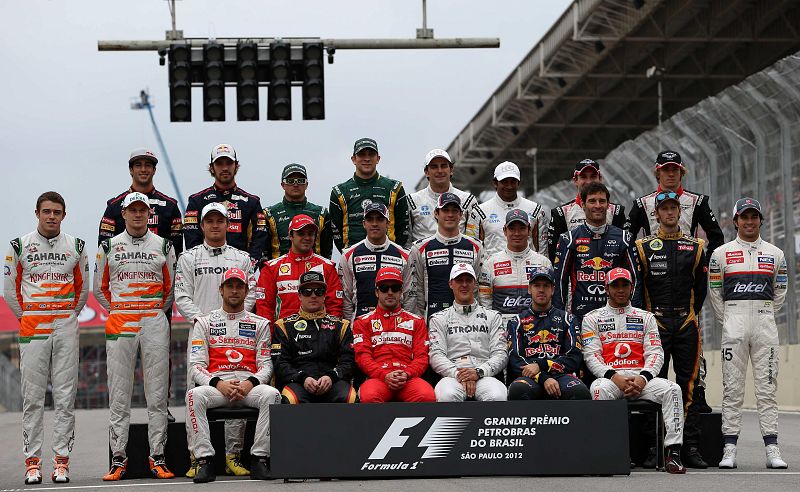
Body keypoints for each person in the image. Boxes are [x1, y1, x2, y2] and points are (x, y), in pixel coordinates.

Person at [4, 191, 89, 484]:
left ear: (64, 215)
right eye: (46, 211)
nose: (51, 216)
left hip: (66, 322)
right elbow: (10, 291)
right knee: (33, 397)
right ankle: (32, 463)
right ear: (37, 213)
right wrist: (29, 316)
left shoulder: (77, 246)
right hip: (33, 324)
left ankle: (61, 462)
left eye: (57, 212)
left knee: (66, 396)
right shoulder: (18, 245)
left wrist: (66, 315)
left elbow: (83, 291)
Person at [94, 192, 177, 481]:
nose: (138, 214)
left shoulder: (164, 245)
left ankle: (158, 457)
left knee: (156, 394)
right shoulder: (108, 246)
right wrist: (119, 309)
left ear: (149, 213)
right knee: (119, 393)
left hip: (154, 318)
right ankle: (118, 458)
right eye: (132, 210)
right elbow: (99, 289)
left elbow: (170, 289)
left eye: (143, 210)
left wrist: (151, 311)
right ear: (124, 214)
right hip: (121, 319)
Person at [174, 202, 256, 478]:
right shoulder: (189, 258)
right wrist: (205, 322)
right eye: (210, 221)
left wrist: (236, 319)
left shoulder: (242, 258)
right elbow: (181, 296)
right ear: (202, 226)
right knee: (193, 394)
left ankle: (233, 455)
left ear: (228, 224)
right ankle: (197, 457)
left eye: (220, 220)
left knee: (235, 388)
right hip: (201, 332)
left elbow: (252, 293)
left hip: (237, 333)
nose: (215, 225)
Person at [709, 198, 788, 469]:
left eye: (754, 217)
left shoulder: (775, 254)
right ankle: (729, 449)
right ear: (735, 221)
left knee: (767, 390)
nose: (750, 222)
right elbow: (715, 294)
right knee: (732, 390)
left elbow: (780, 291)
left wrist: (764, 314)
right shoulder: (721, 254)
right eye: (744, 217)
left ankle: (772, 449)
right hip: (735, 325)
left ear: (761, 220)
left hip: (765, 325)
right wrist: (730, 319)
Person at [581, 268, 686, 474]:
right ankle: (609, 452)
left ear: (631, 288)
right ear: (606, 289)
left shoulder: (646, 317)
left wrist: (643, 379)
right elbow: (591, 356)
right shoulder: (592, 318)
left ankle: (673, 453)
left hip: (641, 378)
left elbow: (656, 353)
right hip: (611, 379)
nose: (620, 290)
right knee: (597, 390)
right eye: (615, 286)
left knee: (673, 389)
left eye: (624, 285)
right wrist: (615, 377)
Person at [634, 190, 709, 468]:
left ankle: (688, 446)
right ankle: (656, 446)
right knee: (656, 385)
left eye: (673, 208)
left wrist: (690, 314)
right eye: (663, 208)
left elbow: (700, 290)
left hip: (687, 321)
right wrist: (647, 320)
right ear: (656, 213)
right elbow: (638, 289)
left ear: (680, 212)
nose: (669, 212)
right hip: (656, 323)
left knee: (689, 385)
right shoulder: (643, 246)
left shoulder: (696, 246)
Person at [185, 268, 281, 483]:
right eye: (230, 286)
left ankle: (259, 459)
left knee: (273, 395)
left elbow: (266, 364)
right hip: (217, 387)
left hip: (249, 387)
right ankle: (204, 461)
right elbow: (196, 366)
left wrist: (250, 383)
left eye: (240, 286)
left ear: (247, 291)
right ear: (221, 289)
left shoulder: (260, 323)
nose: (235, 291)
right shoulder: (204, 322)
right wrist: (219, 384)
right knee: (194, 395)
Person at [553, 181, 640, 323]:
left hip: (618, 317)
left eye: (602, 201)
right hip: (581, 318)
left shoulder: (624, 238)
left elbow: (636, 280)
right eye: (592, 201)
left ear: (608, 205)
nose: (598, 206)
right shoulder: (568, 239)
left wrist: (634, 315)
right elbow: (559, 282)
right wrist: (560, 319)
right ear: (583, 205)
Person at [272, 271, 357, 404]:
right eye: (307, 291)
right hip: (299, 381)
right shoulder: (283, 326)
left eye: (319, 291)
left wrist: (332, 376)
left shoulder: (341, 326)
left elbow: (349, 362)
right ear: (299, 295)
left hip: (332, 381)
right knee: (291, 399)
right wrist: (302, 378)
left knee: (350, 397)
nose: (313, 296)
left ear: (325, 295)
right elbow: (280, 364)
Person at [352, 267, 435, 402]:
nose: (390, 292)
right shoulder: (362, 322)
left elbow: (422, 357)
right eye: (384, 288)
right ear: (376, 292)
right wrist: (384, 375)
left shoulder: (417, 321)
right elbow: (363, 357)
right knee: (369, 396)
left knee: (426, 395)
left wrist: (407, 374)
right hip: (378, 378)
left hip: (407, 377)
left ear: (401, 292)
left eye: (395, 288)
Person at [506, 267, 589, 401]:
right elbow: (516, 361)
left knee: (579, 392)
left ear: (553, 290)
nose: (541, 290)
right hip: (531, 377)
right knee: (518, 390)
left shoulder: (568, 319)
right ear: (529, 289)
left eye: (546, 286)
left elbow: (574, 357)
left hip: (561, 376)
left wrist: (542, 365)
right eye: (536, 285)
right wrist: (543, 377)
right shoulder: (517, 322)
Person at [428, 263, 508, 402]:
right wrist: (459, 374)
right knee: (447, 395)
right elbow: (436, 355)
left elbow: (501, 353)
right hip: (452, 375)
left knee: (497, 396)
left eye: (468, 280)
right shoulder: (438, 318)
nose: (464, 284)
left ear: (475, 284)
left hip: (484, 374)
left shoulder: (493, 317)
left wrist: (479, 372)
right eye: (459, 280)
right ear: (451, 284)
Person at [626, 150, 724, 257]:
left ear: (681, 172)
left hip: (687, 267)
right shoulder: (642, 204)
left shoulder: (698, 201)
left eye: (675, 169)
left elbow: (717, 237)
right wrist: (637, 263)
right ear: (658, 173)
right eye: (666, 169)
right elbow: (626, 238)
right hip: (653, 268)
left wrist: (706, 263)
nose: (671, 174)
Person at [184, 144, 268, 261]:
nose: (224, 168)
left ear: (236, 166)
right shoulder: (197, 201)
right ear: (212, 167)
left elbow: (260, 237)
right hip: (206, 266)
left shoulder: (251, 202)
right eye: (219, 163)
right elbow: (191, 238)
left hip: (240, 269)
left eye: (229, 163)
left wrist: (250, 263)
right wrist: (200, 263)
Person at [406, 193, 483, 320]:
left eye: (454, 210)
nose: (450, 215)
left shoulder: (476, 246)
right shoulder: (419, 248)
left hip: (469, 322)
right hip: (432, 320)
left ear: (461, 215)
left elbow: (478, 288)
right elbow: (415, 292)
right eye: (445, 210)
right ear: (436, 213)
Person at [256, 214, 342, 323]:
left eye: (310, 234)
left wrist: (330, 335)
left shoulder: (327, 267)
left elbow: (335, 307)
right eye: (301, 233)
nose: (306, 238)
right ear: (291, 236)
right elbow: (264, 308)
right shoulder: (271, 268)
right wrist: (272, 338)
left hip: (320, 335)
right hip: (283, 336)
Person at [329, 137, 409, 252]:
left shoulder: (395, 188)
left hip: (390, 256)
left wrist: (394, 252)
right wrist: (348, 254)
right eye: (362, 155)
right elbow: (336, 231)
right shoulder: (339, 192)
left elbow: (403, 227)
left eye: (371, 154)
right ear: (353, 159)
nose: (367, 159)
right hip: (354, 258)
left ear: (378, 158)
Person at [98, 148, 183, 255]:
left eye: (148, 165)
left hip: (159, 268)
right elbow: (103, 249)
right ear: (131, 170)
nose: (143, 169)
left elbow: (177, 251)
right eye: (138, 165)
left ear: (154, 170)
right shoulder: (114, 206)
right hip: (122, 267)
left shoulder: (170, 206)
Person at [339, 202, 410, 321]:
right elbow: (346, 297)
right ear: (364, 224)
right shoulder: (348, 255)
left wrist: (407, 324)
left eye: (380, 219)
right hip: (361, 324)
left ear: (388, 223)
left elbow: (409, 296)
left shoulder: (405, 255)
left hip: (397, 325)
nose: (375, 223)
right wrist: (349, 326)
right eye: (370, 219)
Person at [479, 208, 551, 325]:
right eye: (512, 228)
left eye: (522, 228)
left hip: (535, 328)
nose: (517, 233)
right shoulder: (490, 263)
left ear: (529, 230)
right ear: (504, 231)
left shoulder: (544, 263)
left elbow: (551, 299)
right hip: (502, 329)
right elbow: (485, 301)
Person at [547, 158, 626, 261]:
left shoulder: (616, 211)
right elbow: (555, 255)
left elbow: (624, 249)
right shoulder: (561, 213)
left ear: (600, 179)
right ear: (575, 180)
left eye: (593, 177)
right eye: (583, 177)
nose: (588, 182)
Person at [406, 148, 483, 244]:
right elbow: (406, 243)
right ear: (426, 172)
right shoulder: (412, 201)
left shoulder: (467, 200)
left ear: (451, 170)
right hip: (422, 257)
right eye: (434, 167)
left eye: (443, 166)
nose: (439, 170)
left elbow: (474, 240)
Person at [263, 163, 333, 260]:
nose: (295, 184)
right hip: (280, 272)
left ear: (306, 185)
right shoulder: (269, 214)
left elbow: (327, 250)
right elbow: (263, 252)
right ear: (283, 185)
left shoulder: (321, 213)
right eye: (290, 181)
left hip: (314, 271)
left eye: (300, 181)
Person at [478, 161, 548, 257]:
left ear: (518, 182)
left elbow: (543, 250)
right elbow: (475, 250)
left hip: (528, 269)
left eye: (513, 181)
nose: (509, 186)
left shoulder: (535, 210)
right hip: (493, 270)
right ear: (495, 183)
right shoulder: (480, 211)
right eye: (504, 181)